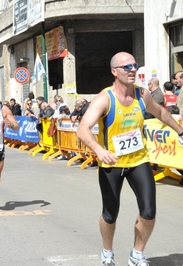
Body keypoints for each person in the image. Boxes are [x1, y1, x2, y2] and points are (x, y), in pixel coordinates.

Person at [76, 52, 183, 266]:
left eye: (134, 65)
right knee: (110, 214)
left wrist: (179, 131)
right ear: (114, 72)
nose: (132, 69)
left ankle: (137, 254)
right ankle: (107, 252)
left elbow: (160, 113)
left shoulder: (142, 94)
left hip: (138, 161)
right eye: (126, 67)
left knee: (149, 211)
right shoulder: (105, 98)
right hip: (111, 163)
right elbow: (82, 129)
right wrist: (99, 150)